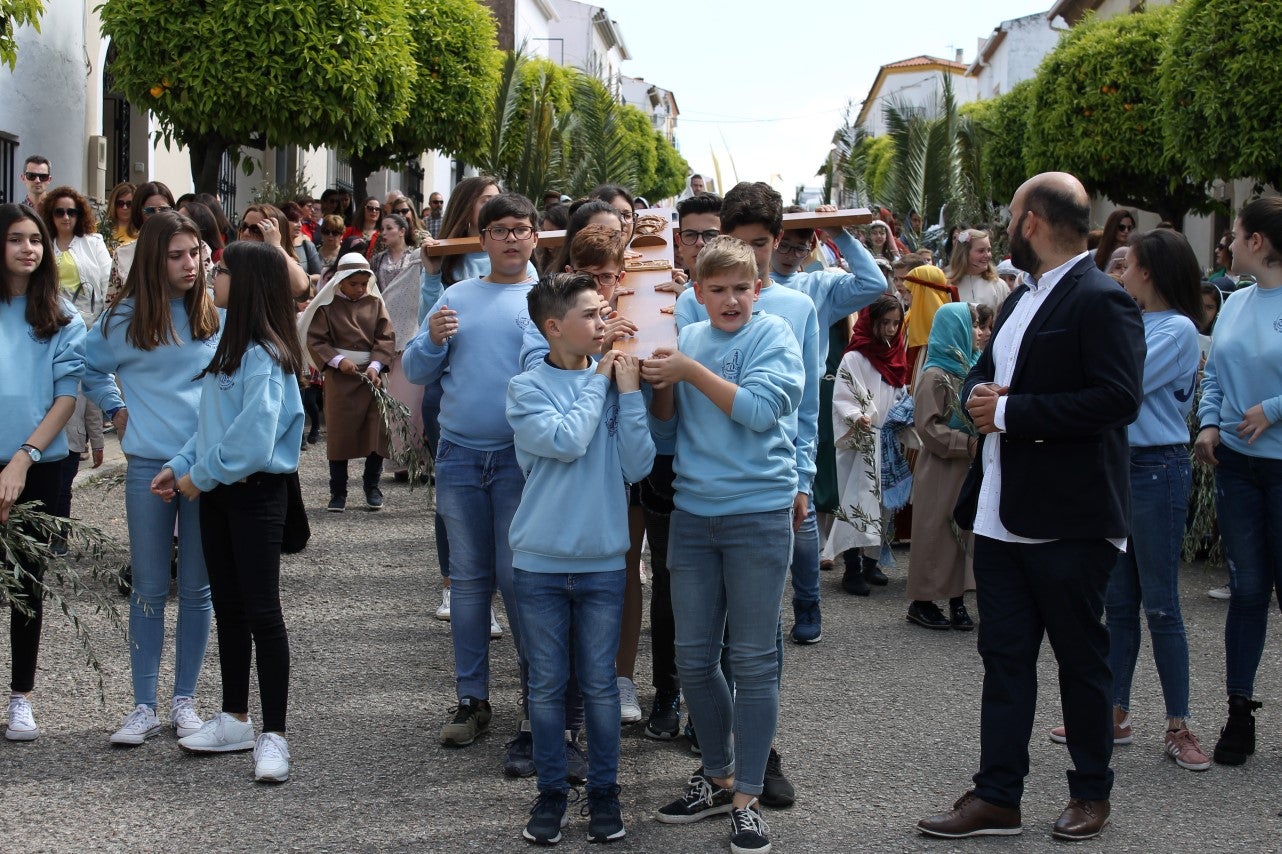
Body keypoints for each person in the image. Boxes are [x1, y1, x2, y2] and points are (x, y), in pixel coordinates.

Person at [917, 172, 1144, 842]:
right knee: (1005, 658)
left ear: (1033, 223)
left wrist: (1012, 411)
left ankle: (1091, 792)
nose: (1005, 228)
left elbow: (1117, 399)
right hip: (1001, 513)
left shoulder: (1102, 299)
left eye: (1011, 215)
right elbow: (985, 373)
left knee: (1081, 661)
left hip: (1071, 519)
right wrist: (977, 395)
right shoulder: (1021, 296)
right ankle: (997, 796)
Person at [644, 236, 803, 854]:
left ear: (758, 289)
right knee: (692, 659)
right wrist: (659, 380)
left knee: (755, 661)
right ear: (698, 293)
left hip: (758, 514)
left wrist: (686, 371)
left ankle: (749, 798)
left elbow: (761, 411)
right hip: (692, 513)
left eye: (742, 287)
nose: (731, 299)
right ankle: (718, 776)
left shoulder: (774, 335)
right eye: (718, 290)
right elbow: (665, 432)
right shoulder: (686, 338)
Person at [1042, 227, 1209, 769]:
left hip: (1157, 468)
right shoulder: (1134, 321)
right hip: (1119, 465)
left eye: (1127, 265)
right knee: (1117, 604)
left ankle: (1179, 724)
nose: (1119, 273)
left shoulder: (1177, 328)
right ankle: (1114, 713)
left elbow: (1121, 381)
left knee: (1161, 604)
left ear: (1149, 273)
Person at [507, 273, 655, 845]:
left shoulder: (613, 382)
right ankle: (551, 792)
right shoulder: (526, 388)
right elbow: (567, 441)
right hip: (539, 562)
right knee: (546, 687)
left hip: (602, 561)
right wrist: (600, 381)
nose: (603, 323)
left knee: (600, 685)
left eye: (604, 312)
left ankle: (604, 793)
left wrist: (631, 395)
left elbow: (638, 466)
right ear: (553, 327)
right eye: (591, 315)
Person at [152, 240, 305, 784]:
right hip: (218, 495)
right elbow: (211, 428)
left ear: (247, 284)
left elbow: (253, 441)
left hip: (256, 495)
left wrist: (199, 476)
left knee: (263, 612)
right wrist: (181, 465)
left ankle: (275, 735)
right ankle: (235, 718)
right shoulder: (230, 348)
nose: (211, 276)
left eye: (220, 270)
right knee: (230, 609)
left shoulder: (265, 355)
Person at [403, 192, 541, 754]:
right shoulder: (457, 295)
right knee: (467, 581)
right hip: (459, 456)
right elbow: (416, 368)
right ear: (482, 239)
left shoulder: (546, 298)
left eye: (520, 229)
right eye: (499, 230)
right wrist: (433, 339)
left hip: (519, 460)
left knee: (517, 577)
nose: (510, 238)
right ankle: (471, 699)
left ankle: (538, 698)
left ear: (535, 237)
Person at [83, 211, 220, 746]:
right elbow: (87, 366)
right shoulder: (122, 319)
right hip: (146, 465)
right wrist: (115, 408)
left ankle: (185, 700)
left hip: (203, 469)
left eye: (196, 254)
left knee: (198, 587)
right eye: (176, 255)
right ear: (152, 260)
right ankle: (143, 705)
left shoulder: (215, 315)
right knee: (147, 586)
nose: (191, 264)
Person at [1194, 196, 1282, 767]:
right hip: (1237, 467)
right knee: (1247, 591)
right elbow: (1216, 377)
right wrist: (1208, 423)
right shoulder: (1235, 301)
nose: (1225, 243)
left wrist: (1272, 410)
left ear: (1258, 242)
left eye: (1234, 234)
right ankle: (1239, 712)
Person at [0, 203, 86, 742]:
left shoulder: (62, 315)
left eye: (35, 240)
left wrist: (22, 457)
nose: (28, 248)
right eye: (15, 239)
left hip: (38, 466)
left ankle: (21, 698)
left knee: (26, 584)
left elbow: (65, 399)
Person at [905, 302, 981, 630]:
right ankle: (922, 600)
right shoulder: (935, 374)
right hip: (941, 468)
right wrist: (967, 443)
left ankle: (957, 599)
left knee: (961, 532)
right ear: (956, 330)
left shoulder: (971, 369)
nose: (978, 332)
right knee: (936, 533)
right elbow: (928, 427)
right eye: (972, 325)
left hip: (966, 467)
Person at [829, 294, 910, 596]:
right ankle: (852, 568)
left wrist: (904, 412)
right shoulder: (855, 357)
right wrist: (858, 416)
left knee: (883, 504)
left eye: (896, 323)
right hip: (861, 441)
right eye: (884, 323)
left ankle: (871, 563)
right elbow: (843, 397)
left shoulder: (895, 353)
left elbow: (899, 391)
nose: (891, 329)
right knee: (858, 501)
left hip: (886, 440)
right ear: (870, 321)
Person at [302, 253, 394, 512]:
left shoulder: (375, 304)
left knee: (376, 432)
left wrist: (375, 366)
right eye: (353, 284)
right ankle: (338, 492)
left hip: (371, 378)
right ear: (340, 281)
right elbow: (316, 340)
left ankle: (372, 486)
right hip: (340, 378)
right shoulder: (327, 307)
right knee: (340, 434)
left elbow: (386, 337)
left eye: (364, 284)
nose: (359, 289)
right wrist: (338, 360)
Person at [370, 212, 424, 484]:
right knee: (392, 398)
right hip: (384, 325)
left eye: (389, 228)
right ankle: (399, 460)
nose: (384, 232)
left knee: (411, 395)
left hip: (410, 326)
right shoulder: (378, 260)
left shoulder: (415, 257)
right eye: (382, 228)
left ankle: (419, 459)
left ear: (403, 230)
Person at [108, 180, 176, 303]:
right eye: (150, 211)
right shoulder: (122, 254)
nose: (157, 215)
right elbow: (111, 303)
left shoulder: (194, 250)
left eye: (164, 209)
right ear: (138, 214)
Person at [235, 204, 311, 297]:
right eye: (243, 225)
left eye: (256, 229)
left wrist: (276, 246)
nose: (246, 233)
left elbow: (301, 287)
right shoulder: (231, 261)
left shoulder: (284, 265)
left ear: (276, 234)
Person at [946, 228, 1005, 309]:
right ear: (964, 254)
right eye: (981, 251)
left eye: (989, 250)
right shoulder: (948, 286)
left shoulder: (998, 285)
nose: (987, 255)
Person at [99, 182, 136, 255]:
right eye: (120, 203)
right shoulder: (98, 229)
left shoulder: (142, 231)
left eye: (129, 204)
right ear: (113, 204)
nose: (125, 208)